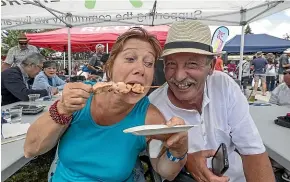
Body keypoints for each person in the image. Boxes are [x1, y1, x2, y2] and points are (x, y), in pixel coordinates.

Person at [24, 27, 188, 182]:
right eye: (130, 59)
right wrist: (62, 109)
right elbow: (31, 148)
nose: (141, 69)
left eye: (149, 63)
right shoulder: (81, 97)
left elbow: (165, 171)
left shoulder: (150, 117)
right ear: (110, 67)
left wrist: (178, 151)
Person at [149, 20, 274, 182]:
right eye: (171, 64)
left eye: (192, 64)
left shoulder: (224, 85)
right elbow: (162, 168)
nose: (179, 76)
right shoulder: (154, 106)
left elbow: (252, 150)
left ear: (212, 66)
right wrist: (187, 161)